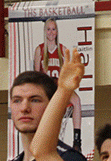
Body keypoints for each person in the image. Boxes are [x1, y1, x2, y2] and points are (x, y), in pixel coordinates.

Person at [33, 18, 84, 153]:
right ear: (45, 31)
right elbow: (36, 75)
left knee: (77, 100)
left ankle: (77, 141)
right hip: (45, 87)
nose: (51, 32)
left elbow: (68, 73)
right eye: (48, 29)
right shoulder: (40, 49)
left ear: (57, 32)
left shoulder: (63, 50)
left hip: (59, 86)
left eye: (53, 29)